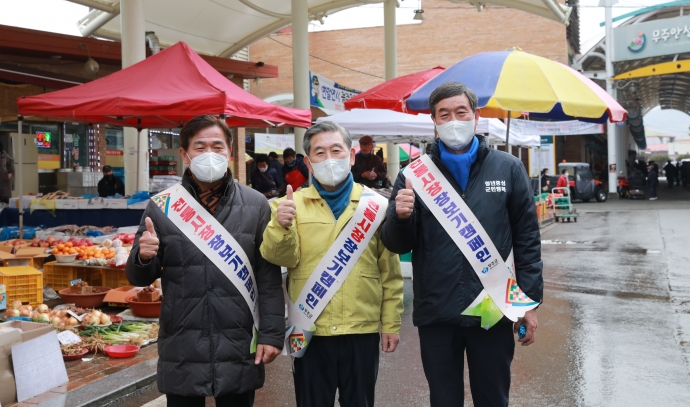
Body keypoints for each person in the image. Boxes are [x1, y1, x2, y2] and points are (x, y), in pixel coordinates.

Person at [380, 82, 542, 407]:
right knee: (443, 399)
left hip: (493, 308)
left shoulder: (508, 168)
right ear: (435, 122)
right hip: (437, 312)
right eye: (444, 114)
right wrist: (399, 217)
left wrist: (529, 304)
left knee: (493, 398)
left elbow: (527, 240)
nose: (453, 120)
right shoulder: (413, 175)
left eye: (460, 112)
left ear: (475, 116)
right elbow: (397, 244)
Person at [125, 115, 284, 407]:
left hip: (238, 340)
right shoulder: (162, 207)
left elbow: (268, 277)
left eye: (217, 146)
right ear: (185, 154)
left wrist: (273, 334)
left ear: (230, 152)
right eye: (200, 147)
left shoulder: (256, 205)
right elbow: (137, 278)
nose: (209, 154)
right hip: (182, 342)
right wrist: (143, 256)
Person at [261, 121, 404, 407]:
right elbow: (278, 258)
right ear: (308, 163)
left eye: (336, 151)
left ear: (351, 156)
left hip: (361, 330)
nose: (329, 159)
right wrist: (282, 226)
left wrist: (391, 323)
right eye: (320, 153)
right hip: (307, 328)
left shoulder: (376, 205)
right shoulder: (287, 206)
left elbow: (390, 272)